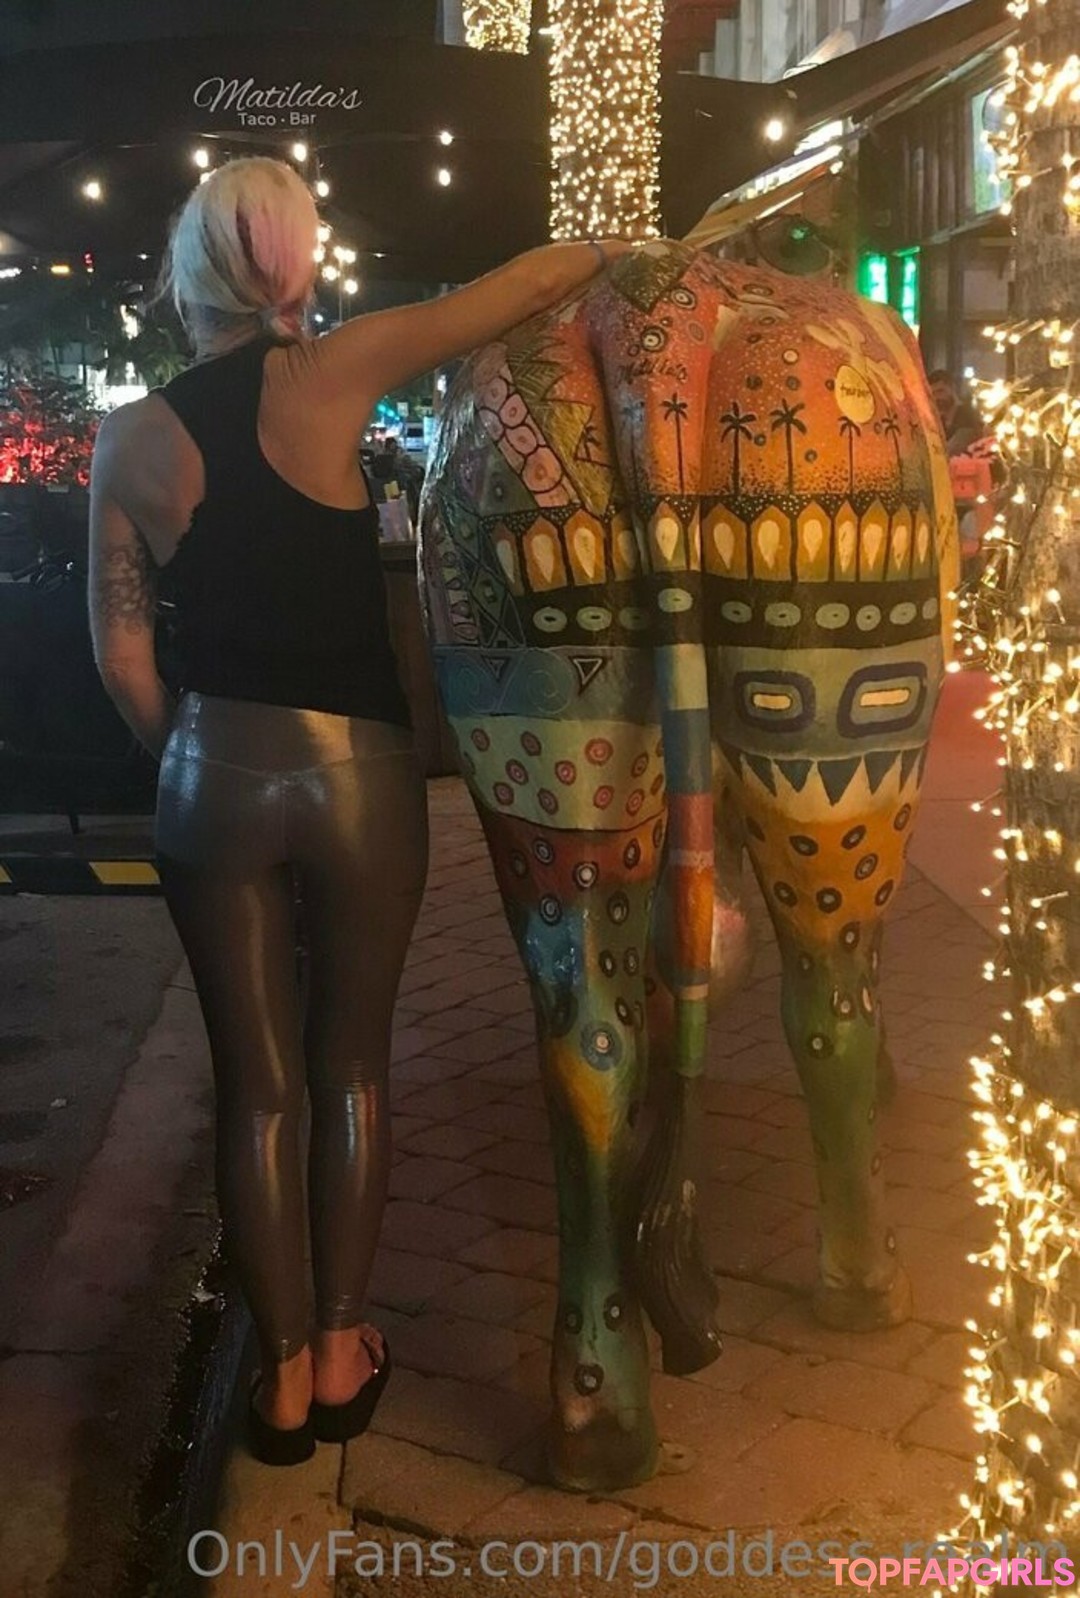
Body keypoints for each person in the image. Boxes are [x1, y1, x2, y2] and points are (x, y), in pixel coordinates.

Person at [87, 156, 629, 1466]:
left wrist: (199, 755)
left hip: (212, 772)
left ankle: (275, 1380)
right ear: (292, 263)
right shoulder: (336, 371)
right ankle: (341, 1348)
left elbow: (120, 654)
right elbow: (520, 287)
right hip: (358, 777)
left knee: (255, 1084)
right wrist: (614, 245)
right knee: (351, 1069)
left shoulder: (130, 438)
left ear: (189, 272)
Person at [928, 369, 984, 456]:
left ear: (952, 388)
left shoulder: (968, 414)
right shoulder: (936, 421)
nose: (937, 398)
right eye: (933, 393)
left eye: (940, 391)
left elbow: (954, 450)